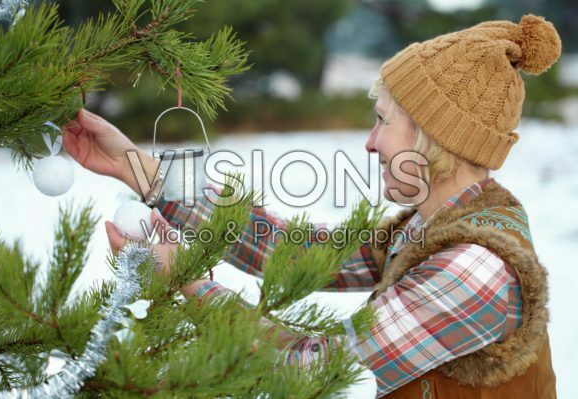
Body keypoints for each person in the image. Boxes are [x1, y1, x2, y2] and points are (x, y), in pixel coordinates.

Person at [62, 13, 561, 398]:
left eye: (383, 120)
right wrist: (135, 167)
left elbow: (316, 369)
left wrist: (187, 280)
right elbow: (296, 253)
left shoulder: (473, 268)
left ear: (432, 135)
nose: (370, 142)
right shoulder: (434, 228)